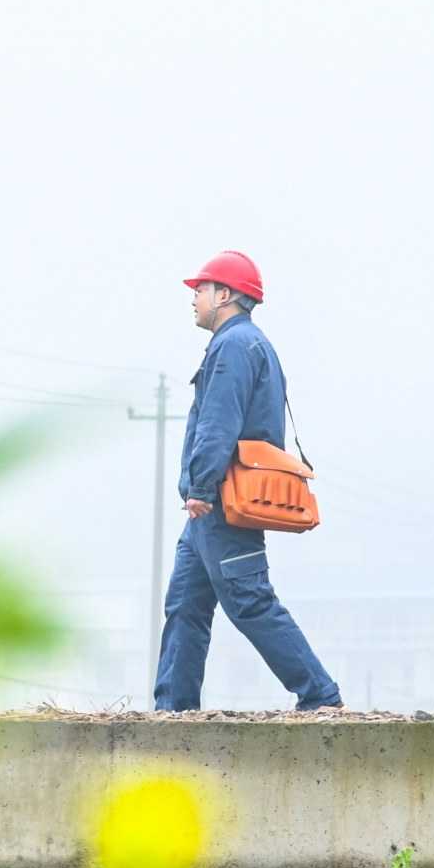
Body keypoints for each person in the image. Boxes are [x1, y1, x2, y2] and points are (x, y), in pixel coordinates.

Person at [153, 250, 344, 713]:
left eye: (201, 290)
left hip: (222, 502)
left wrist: (201, 488)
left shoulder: (235, 346)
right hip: (213, 507)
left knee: (250, 601)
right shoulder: (245, 344)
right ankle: (173, 710)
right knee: (185, 605)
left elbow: (218, 423)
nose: (194, 298)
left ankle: (320, 696)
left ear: (225, 295)